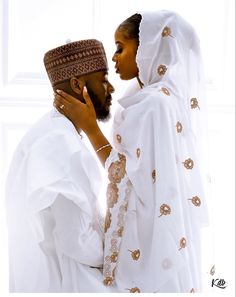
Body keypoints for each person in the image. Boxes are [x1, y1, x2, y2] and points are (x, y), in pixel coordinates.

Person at [54, 11, 212, 293]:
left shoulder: (153, 105)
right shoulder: (160, 98)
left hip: (151, 243)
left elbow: (126, 176)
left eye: (120, 47)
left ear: (148, 48)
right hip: (166, 234)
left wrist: (91, 128)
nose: (114, 58)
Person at [5, 39, 115, 292]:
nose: (111, 88)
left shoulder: (54, 131)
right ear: (78, 85)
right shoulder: (59, 144)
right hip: (69, 282)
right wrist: (121, 257)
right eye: (103, 78)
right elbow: (75, 240)